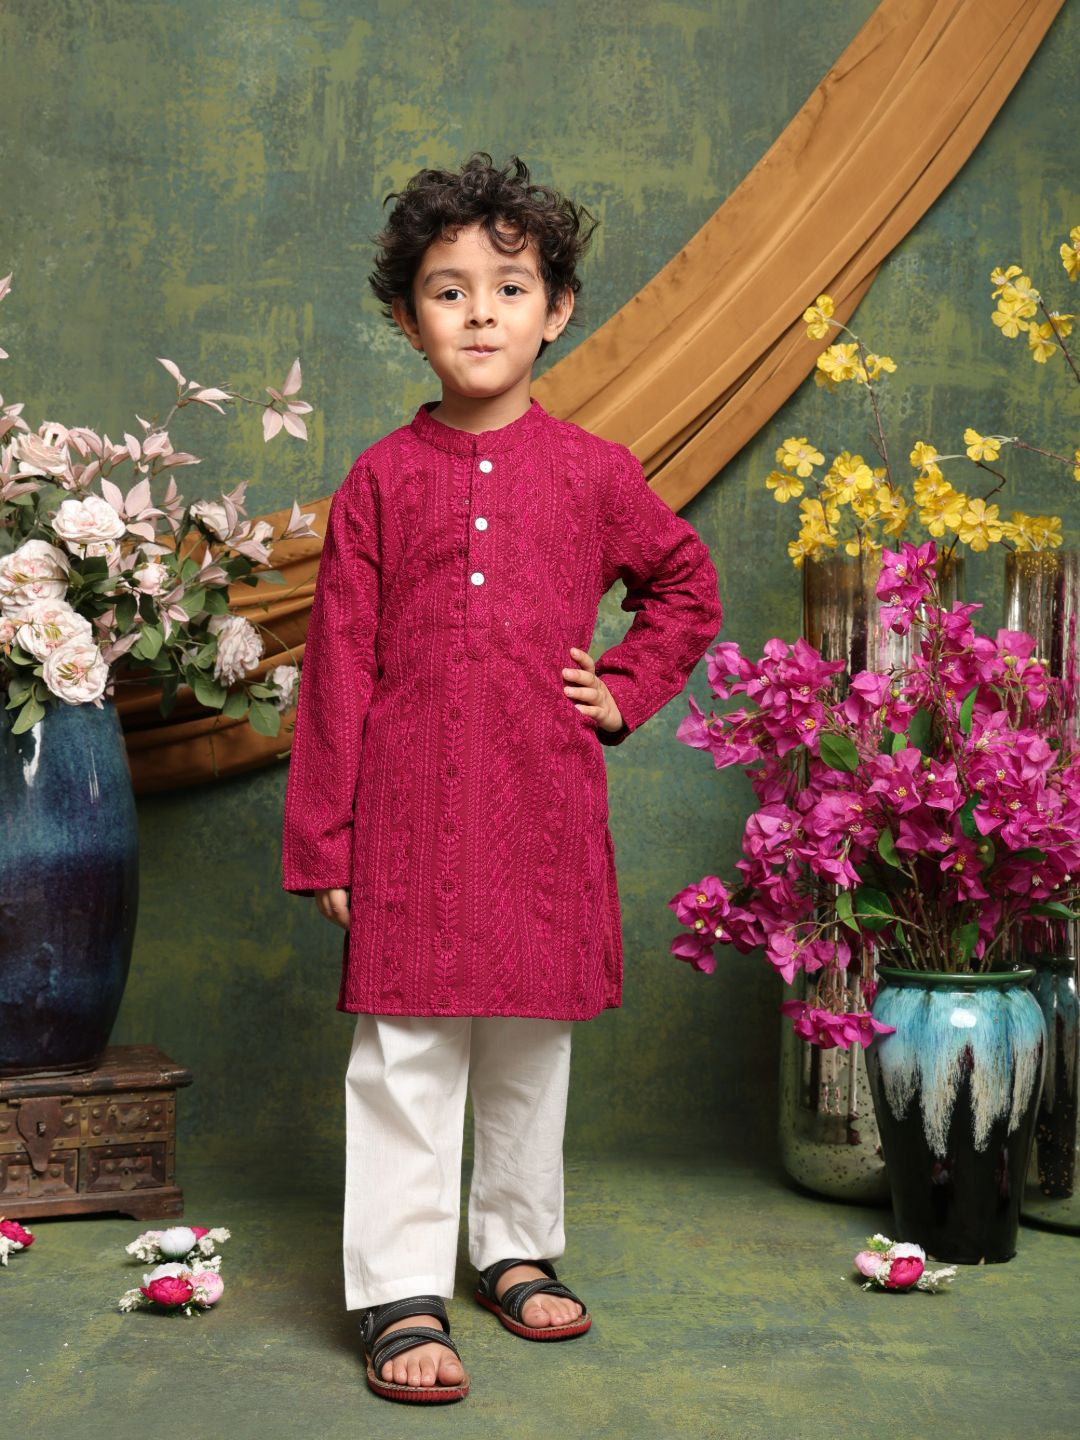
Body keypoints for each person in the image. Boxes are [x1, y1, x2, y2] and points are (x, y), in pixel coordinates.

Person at [281, 151, 723, 1404]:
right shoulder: (380, 480)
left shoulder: (595, 473)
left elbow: (685, 588)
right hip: (406, 824)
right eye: (448, 290)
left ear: (558, 309)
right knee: (407, 1058)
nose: (481, 313)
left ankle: (514, 1249)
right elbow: (336, 670)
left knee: (531, 1050)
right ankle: (400, 1290)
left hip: (542, 815)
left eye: (510, 287)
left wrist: (625, 687)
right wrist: (326, 843)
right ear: (407, 317)